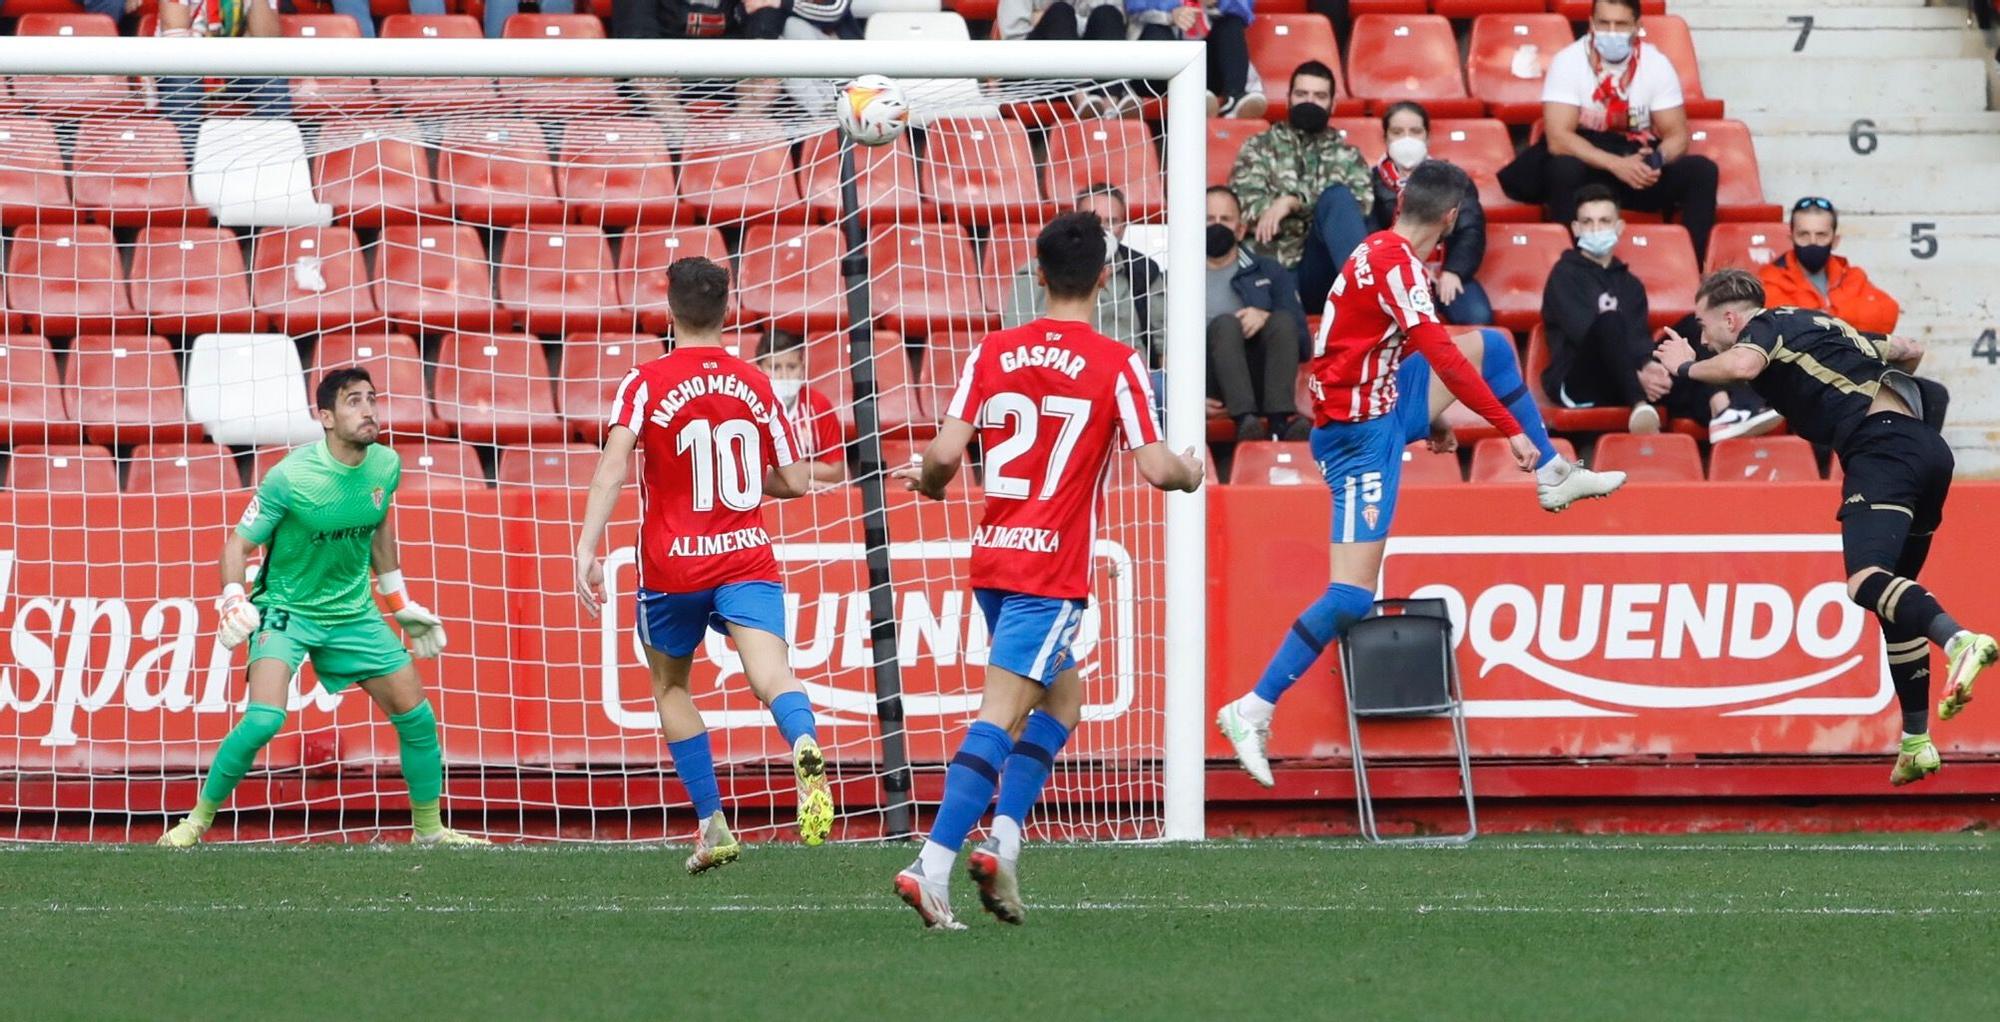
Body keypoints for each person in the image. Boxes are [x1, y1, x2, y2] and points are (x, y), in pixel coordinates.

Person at [1213, 163, 1626, 788]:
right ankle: (1252, 707)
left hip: (1381, 402)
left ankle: (1553, 472)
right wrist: (1506, 428)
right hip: (1357, 439)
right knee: (1350, 597)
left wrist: (1427, 418)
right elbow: (1437, 356)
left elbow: (1382, 340)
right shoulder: (1399, 264)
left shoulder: (1379, 250)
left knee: (1491, 345)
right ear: (1454, 219)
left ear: (1402, 200)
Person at [890, 211, 1204, 931]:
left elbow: (941, 455)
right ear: (1104, 277)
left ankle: (1003, 840)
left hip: (995, 560)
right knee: (999, 716)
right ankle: (931, 864)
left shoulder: (992, 351)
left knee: (1064, 699)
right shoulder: (1118, 362)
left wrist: (934, 486)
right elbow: (1155, 468)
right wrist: (1188, 473)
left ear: (1036, 275)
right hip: (1050, 572)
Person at [1655, 270, 1997, 786]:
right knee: (1894, 605)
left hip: (1880, 450)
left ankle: (1959, 642)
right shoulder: (1822, 324)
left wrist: (1686, 370)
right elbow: (1907, 350)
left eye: (1703, 325)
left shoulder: (1765, 327)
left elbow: (1742, 363)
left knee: (1865, 581)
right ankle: (1915, 740)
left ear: (1730, 317)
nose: (1702, 337)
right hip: (1925, 449)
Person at [572, 258, 835, 873]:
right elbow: (796, 481)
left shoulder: (644, 382)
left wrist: (586, 547)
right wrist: (744, 480)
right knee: (773, 674)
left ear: (669, 310)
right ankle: (803, 742)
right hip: (743, 554)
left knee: (670, 685)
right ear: (728, 311)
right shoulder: (758, 383)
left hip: (672, 566)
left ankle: (713, 824)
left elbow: (612, 468)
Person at [159, 368, 483, 847]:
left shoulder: (385, 466)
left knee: (417, 718)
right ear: (325, 416)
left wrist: (399, 603)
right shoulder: (289, 477)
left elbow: (378, 530)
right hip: (287, 611)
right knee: (266, 719)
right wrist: (232, 600)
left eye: (372, 399)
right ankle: (196, 823)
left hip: (353, 613)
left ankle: (429, 831)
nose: (369, 410)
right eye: (354, 401)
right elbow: (235, 547)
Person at [1543, 184, 1778, 440]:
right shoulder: (1563, 275)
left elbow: (1637, 338)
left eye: (1604, 221)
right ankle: (1639, 407)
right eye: (1588, 222)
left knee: (1695, 326)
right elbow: (1585, 333)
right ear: (1576, 229)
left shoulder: (1630, 284)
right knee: (1609, 321)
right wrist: (1638, 373)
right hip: (1584, 383)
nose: (1596, 229)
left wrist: (1653, 367)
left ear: (1619, 227)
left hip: (1634, 376)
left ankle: (1725, 411)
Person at [1499, 0, 1720, 263]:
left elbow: (1677, 135)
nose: (1611, 32)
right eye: (1604, 23)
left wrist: (1654, 162)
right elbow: (1559, 139)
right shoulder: (1568, 61)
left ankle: (1691, 268)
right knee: (1563, 168)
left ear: (1637, 27)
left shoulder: (1656, 64)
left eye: (1621, 24)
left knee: (1702, 171)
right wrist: (1616, 165)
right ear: (1591, 23)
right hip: (1589, 168)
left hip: (1635, 163)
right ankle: (1575, 267)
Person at [1229, 60, 1374, 315]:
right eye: (1301, 94)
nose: (1309, 102)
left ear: (1333, 104)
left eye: (1319, 96)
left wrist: (1292, 203)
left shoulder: (1348, 155)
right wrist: (1310, 214)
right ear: (1288, 99)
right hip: (1271, 271)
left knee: (1339, 197)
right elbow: (1247, 209)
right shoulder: (1259, 147)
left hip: (1322, 275)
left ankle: (1367, 304)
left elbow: (1358, 210)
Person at [1001, 183, 1167, 365]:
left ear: (1124, 227)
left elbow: (1164, 342)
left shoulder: (1142, 269)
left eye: (1111, 221)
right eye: (1094, 221)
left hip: (1131, 370)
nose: (1103, 230)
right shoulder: (1041, 268)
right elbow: (1015, 337)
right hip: (1058, 369)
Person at [1370, 102, 1491, 325]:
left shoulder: (1453, 179)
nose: (1407, 139)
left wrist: (1455, 270)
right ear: (1385, 138)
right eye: (1397, 132)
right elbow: (1368, 235)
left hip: (1444, 273)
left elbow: (1471, 229)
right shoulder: (1369, 182)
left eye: (1415, 132)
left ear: (1427, 137)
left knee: (1477, 316)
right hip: (1392, 278)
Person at [1206, 185, 1311, 442]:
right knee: (1225, 325)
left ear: (1241, 229)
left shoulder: (1269, 271)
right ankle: (1245, 421)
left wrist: (1265, 316)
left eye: (1225, 219)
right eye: (1209, 219)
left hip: (1263, 380)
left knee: (1282, 320)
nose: (1217, 226)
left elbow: (1304, 345)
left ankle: (1278, 424)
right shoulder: (1175, 278)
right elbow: (1162, 348)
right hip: (1210, 381)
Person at [1758, 196, 1901, 336]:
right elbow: (1783, 328)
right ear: (1792, 238)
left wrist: (1823, 319)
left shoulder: (1852, 276)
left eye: (1821, 235)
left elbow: (1887, 313)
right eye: (1803, 234)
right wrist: (1844, 320)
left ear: (1835, 240)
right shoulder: (1769, 279)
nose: (1812, 241)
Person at [1123, 0, 1264, 119]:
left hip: (1205, 69)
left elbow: (1245, 10)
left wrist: (1217, 3)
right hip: (1156, 74)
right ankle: (1192, 96)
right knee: (1156, 32)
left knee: (1231, 24)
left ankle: (1234, 99)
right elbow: (1134, 6)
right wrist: (1172, 13)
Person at [756, 329, 847, 488]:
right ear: (759, 369)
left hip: (813, 499)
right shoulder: (749, 407)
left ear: (802, 367)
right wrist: (801, 478)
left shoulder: (818, 405)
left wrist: (784, 474)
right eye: (775, 367)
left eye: (791, 367)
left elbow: (836, 471)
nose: (784, 375)